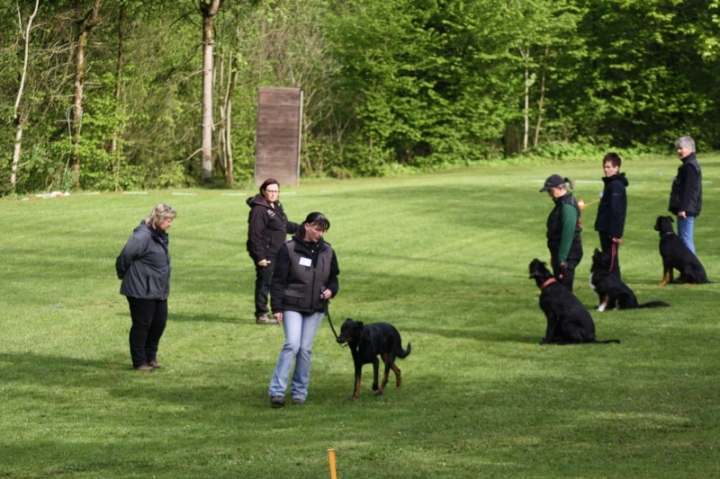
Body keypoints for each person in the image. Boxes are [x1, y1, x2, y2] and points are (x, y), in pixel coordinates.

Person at [268, 212, 339, 408]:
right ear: (306, 226)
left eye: (323, 231)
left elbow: (333, 279)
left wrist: (331, 291)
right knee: (292, 344)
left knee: (305, 349)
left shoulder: (328, 251)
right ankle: (277, 391)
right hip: (292, 304)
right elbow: (278, 280)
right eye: (317, 229)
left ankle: (299, 392)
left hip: (316, 306)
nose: (320, 234)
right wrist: (276, 307)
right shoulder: (288, 249)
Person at [115, 204, 177, 371]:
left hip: (158, 289)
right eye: (168, 220)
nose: (170, 224)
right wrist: (123, 274)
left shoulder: (159, 235)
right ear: (158, 219)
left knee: (159, 323)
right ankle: (140, 361)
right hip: (140, 289)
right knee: (142, 325)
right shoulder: (142, 236)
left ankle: (151, 357)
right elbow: (125, 256)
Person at [246, 179, 298, 324]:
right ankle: (262, 314)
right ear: (263, 191)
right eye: (270, 191)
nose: (273, 194)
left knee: (281, 280)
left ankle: (281, 310)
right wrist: (259, 256)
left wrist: (304, 228)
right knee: (265, 282)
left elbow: (284, 225)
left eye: (276, 191)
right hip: (266, 253)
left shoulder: (277, 205)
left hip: (278, 251)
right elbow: (254, 235)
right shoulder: (259, 209)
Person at [539, 174, 583, 291]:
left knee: (564, 290)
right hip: (562, 253)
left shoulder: (567, 207)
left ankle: (568, 309)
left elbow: (567, 234)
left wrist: (562, 259)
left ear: (560, 187)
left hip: (567, 254)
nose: (549, 195)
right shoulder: (562, 203)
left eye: (551, 191)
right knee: (561, 288)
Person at [594, 152, 628, 279]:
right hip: (604, 228)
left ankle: (616, 287)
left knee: (612, 261)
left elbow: (616, 211)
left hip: (610, 230)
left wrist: (615, 233)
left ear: (616, 168)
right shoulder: (610, 183)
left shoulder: (615, 185)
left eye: (609, 167)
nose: (606, 170)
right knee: (608, 259)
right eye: (604, 167)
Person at [669, 136, 702, 254]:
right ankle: (689, 269)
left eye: (681, 148)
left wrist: (682, 208)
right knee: (684, 239)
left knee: (685, 239)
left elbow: (689, 189)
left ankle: (692, 269)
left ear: (690, 149)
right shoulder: (689, 165)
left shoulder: (689, 167)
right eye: (677, 149)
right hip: (687, 207)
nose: (678, 151)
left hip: (686, 209)